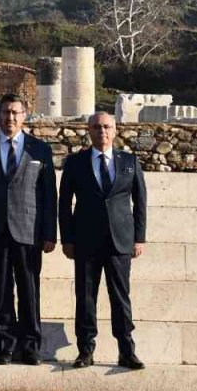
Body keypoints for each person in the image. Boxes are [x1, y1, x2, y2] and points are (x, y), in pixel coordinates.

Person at [0, 94, 56, 364]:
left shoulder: (40, 150)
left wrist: (50, 233)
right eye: (5, 112)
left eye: (16, 112)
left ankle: (31, 346)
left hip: (29, 230)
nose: (10, 118)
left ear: (24, 115)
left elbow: (48, 194)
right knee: (0, 290)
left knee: (29, 290)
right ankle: (5, 344)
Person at [58, 110, 147, 370]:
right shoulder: (76, 163)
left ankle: (126, 350)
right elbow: (64, 204)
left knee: (120, 297)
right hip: (86, 240)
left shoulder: (129, 161)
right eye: (97, 127)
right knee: (85, 296)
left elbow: (140, 202)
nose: (102, 131)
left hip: (120, 241)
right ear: (89, 130)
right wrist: (67, 239)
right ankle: (85, 349)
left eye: (107, 126)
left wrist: (139, 237)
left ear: (115, 130)